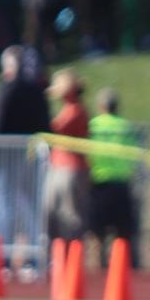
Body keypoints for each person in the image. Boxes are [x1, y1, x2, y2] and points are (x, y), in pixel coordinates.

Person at [0, 45, 50, 265]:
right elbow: (45, 124)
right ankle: (36, 257)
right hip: (31, 156)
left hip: (8, 157)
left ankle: (1, 258)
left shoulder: (8, 89)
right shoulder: (36, 91)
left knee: (7, 206)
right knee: (29, 205)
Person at [86, 89, 141, 267]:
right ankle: (122, 268)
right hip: (122, 183)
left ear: (100, 106)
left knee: (97, 234)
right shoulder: (126, 126)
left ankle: (98, 269)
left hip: (99, 181)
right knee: (123, 234)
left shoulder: (93, 125)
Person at [44, 68, 90, 246]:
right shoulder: (67, 110)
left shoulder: (75, 111)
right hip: (58, 167)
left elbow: (54, 128)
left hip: (71, 170)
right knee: (52, 212)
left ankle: (73, 256)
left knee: (70, 216)